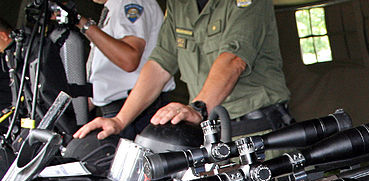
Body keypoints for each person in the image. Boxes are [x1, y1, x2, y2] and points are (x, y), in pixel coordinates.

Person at [74, 0, 291, 141]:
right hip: (211, 133)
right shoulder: (180, 5)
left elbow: (233, 60)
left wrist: (198, 108)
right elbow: (160, 63)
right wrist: (120, 121)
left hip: (258, 132)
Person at [68, 0, 175, 139]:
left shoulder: (130, 2)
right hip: (119, 111)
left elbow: (129, 59)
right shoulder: (114, 6)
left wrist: (83, 24)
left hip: (137, 112)